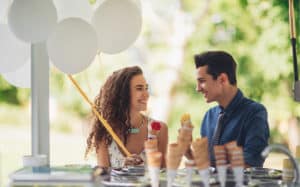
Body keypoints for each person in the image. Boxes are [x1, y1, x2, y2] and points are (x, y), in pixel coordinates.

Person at [194, 50, 269, 167]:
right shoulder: (209, 117)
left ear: (222, 79)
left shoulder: (254, 112)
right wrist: (188, 152)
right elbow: (206, 164)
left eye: (202, 81)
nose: (197, 88)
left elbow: (251, 161)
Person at [85, 66, 168, 168]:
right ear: (123, 93)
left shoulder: (160, 128)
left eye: (146, 88)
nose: (146, 94)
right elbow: (103, 176)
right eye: (139, 88)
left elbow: (164, 175)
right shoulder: (104, 131)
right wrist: (121, 168)